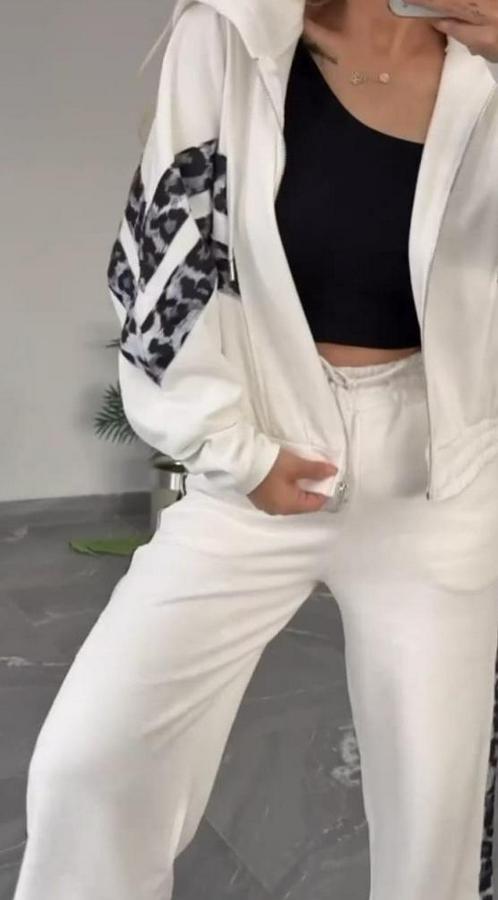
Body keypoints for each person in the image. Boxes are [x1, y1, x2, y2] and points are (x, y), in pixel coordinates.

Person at [13, 1, 498, 898]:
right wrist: (232, 449)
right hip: (264, 458)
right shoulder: (231, 36)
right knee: (92, 761)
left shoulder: (486, 61)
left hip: (442, 478)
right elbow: (163, 261)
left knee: (434, 816)